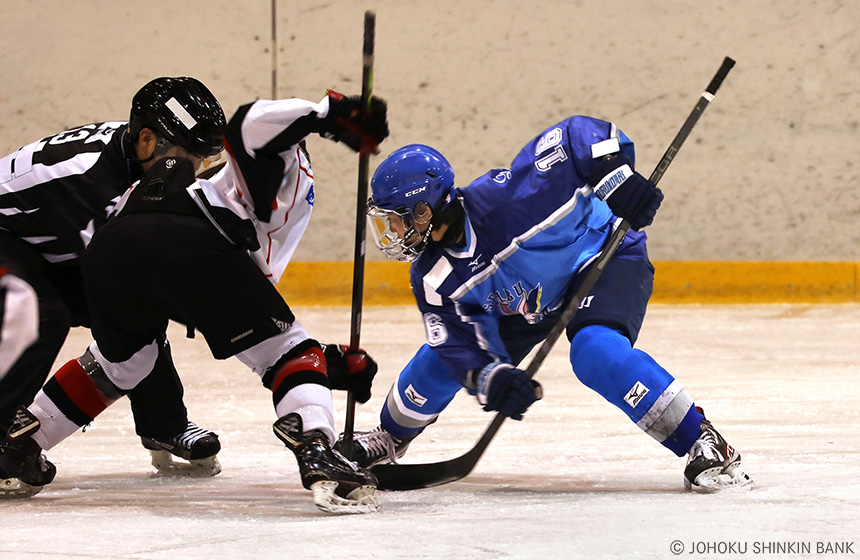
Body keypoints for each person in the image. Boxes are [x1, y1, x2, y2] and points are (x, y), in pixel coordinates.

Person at [0, 89, 389, 513]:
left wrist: (322, 365)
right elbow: (251, 123)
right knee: (287, 349)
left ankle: (21, 443)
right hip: (181, 241)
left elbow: (213, 301)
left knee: (126, 361)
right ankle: (316, 448)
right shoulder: (284, 174)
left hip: (112, 246)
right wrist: (327, 113)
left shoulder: (177, 173)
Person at [338, 116, 754, 492]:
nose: (392, 232)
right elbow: (456, 344)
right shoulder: (431, 274)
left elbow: (576, 134)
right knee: (438, 362)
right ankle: (389, 438)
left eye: (397, 218)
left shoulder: (512, 200)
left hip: (601, 258)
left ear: (426, 209)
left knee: (595, 352)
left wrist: (614, 179)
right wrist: (493, 378)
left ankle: (703, 439)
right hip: (528, 302)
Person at [0, 77, 226, 484]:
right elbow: (120, 271)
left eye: (204, 162)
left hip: (38, 243)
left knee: (135, 314)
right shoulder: (91, 183)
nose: (194, 173)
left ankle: (164, 423)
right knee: (42, 315)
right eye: (188, 160)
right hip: (9, 240)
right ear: (145, 140)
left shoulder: (137, 156)